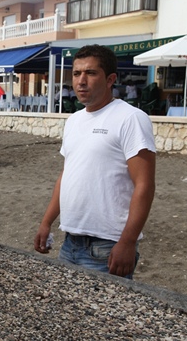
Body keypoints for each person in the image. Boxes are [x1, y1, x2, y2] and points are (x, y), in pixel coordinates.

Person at [34, 44, 156, 280]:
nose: (81, 81)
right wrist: (46, 222)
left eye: (90, 73)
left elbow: (145, 185)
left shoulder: (130, 118)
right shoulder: (74, 121)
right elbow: (67, 175)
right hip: (70, 242)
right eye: (77, 73)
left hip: (107, 247)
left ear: (110, 79)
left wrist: (127, 242)